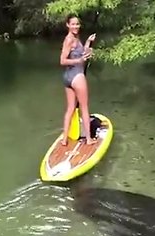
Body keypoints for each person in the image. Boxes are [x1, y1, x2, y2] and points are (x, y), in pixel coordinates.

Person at [59, 14, 97, 146]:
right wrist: (80, 60)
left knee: (70, 108)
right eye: (73, 24)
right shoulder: (69, 40)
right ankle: (89, 139)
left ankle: (64, 139)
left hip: (68, 77)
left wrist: (88, 43)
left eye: (77, 24)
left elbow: (81, 52)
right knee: (84, 108)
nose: (76, 26)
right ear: (67, 25)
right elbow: (62, 60)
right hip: (76, 76)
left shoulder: (75, 38)